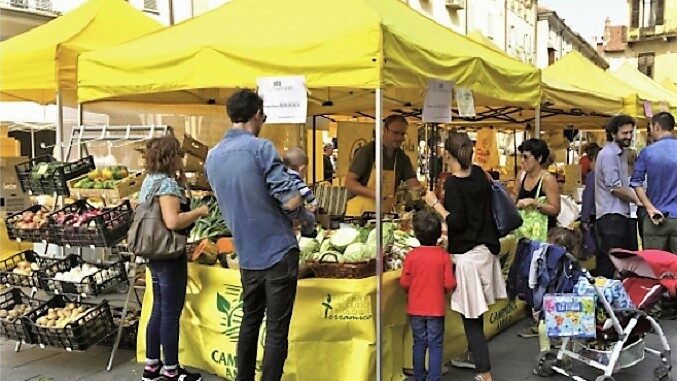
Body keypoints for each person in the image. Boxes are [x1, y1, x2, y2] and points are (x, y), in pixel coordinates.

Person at [205, 89, 303, 381]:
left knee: (249, 322)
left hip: (246, 253)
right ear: (257, 115)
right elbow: (290, 201)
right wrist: (302, 201)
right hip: (277, 250)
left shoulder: (212, 156)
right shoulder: (261, 148)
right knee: (275, 330)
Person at [424, 132, 507, 381]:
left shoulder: (452, 184)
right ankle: (477, 360)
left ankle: (485, 372)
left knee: (471, 319)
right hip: (485, 252)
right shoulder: (480, 174)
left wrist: (435, 205)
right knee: (476, 315)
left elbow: (457, 222)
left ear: (446, 154)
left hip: (468, 256)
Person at [138, 135, 209, 381]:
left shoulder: (150, 181)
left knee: (158, 308)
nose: (182, 157)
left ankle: (151, 366)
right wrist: (199, 211)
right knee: (170, 312)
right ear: (172, 157)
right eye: (179, 154)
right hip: (169, 255)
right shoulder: (166, 185)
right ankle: (171, 370)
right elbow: (172, 221)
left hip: (153, 253)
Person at [400, 210, 456, 381]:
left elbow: (404, 282)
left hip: (415, 308)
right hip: (436, 309)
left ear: (416, 233)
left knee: (419, 343)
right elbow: (449, 284)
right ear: (439, 233)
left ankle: (418, 376)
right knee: (435, 345)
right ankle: (433, 377)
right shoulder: (443, 256)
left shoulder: (411, 256)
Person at [345, 114, 421, 215]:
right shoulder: (368, 151)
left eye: (402, 134)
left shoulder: (402, 157)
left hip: (385, 213)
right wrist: (374, 193)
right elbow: (349, 182)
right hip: (359, 213)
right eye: (395, 133)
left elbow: (414, 185)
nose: (399, 137)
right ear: (384, 130)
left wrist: (423, 193)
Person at [595, 114, 639, 278]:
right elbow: (615, 187)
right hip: (611, 216)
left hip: (618, 215)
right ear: (613, 134)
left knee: (621, 261)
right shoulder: (609, 154)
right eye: (624, 133)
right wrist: (639, 200)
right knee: (609, 262)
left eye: (630, 133)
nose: (628, 136)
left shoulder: (620, 154)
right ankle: (602, 298)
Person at [631, 112, 677, 252]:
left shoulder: (647, 153)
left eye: (650, 127)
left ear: (657, 126)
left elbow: (636, 182)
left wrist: (649, 208)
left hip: (655, 218)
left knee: (653, 267)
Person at [514, 138, 562, 238]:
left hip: (543, 234)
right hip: (523, 233)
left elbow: (555, 209)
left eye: (526, 157)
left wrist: (534, 203)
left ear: (539, 158)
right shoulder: (521, 175)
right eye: (521, 156)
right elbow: (514, 196)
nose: (522, 161)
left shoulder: (548, 180)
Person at [283, 147, 317, 237]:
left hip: (282, 211)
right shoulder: (296, 180)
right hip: (295, 211)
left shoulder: (282, 177)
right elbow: (306, 192)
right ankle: (308, 232)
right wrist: (313, 202)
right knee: (310, 218)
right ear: (302, 169)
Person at [580, 144, 601, 259]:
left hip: (594, 216)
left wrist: (584, 219)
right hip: (607, 216)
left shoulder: (592, 176)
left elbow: (588, 197)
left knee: (596, 247)